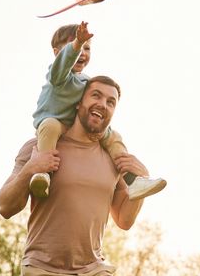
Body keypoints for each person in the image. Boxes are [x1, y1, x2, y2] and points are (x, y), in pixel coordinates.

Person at [0, 76, 149, 276]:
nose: (102, 105)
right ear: (79, 101)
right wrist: (32, 167)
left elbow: (125, 219)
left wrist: (139, 186)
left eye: (111, 102)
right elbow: (5, 206)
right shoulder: (42, 144)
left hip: (92, 270)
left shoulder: (112, 156)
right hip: (44, 270)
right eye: (96, 96)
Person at [29, 21, 165, 200]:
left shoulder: (85, 80)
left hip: (74, 123)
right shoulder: (57, 75)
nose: (82, 53)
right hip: (53, 121)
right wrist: (76, 44)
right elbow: (62, 65)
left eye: (87, 48)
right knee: (50, 126)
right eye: (76, 47)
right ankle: (42, 176)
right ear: (56, 52)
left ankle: (133, 181)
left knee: (113, 137)